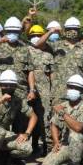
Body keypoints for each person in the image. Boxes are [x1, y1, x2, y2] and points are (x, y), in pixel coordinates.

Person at [42, 75, 83, 165]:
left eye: (76, 88)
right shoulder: (63, 105)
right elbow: (54, 124)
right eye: (71, 87)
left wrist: (62, 113)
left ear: (81, 91)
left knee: (75, 136)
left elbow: (78, 128)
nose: (73, 90)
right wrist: (56, 141)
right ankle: (73, 163)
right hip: (66, 144)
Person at [35, 17, 83, 108]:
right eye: (69, 29)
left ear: (79, 30)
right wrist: (51, 31)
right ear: (65, 30)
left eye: (75, 29)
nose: (72, 31)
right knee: (57, 120)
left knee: (76, 120)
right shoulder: (57, 45)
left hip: (78, 94)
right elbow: (38, 45)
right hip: (59, 94)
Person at [27, 24, 54, 155]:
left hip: (44, 91)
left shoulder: (48, 54)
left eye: (39, 35)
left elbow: (51, 74)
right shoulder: (25, 50)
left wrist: (52, 90)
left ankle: (46, 146)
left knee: (45, 119)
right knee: (26, 117)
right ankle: (29, 145)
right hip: (28, 89)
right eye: (33, 36)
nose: (36, 38)